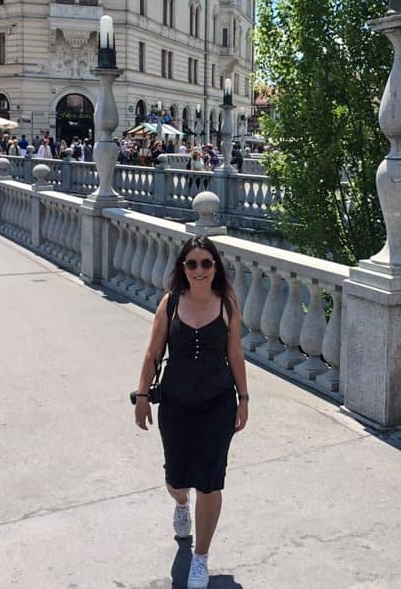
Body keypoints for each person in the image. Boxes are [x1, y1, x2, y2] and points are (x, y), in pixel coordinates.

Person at [134, 236, 249, 589]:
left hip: (218, 402)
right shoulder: (170, 304)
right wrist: (141, 394)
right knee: (178, 479)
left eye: (206, 263)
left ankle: (200, 558)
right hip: (176, 403)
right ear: (183, 268)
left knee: (210, 481)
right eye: (192, 263)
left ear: (216, 267)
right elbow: (153, 354)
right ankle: (181, 503)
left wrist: (243, 398)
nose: (200, 270)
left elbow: (235, 356)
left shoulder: (227, 305)